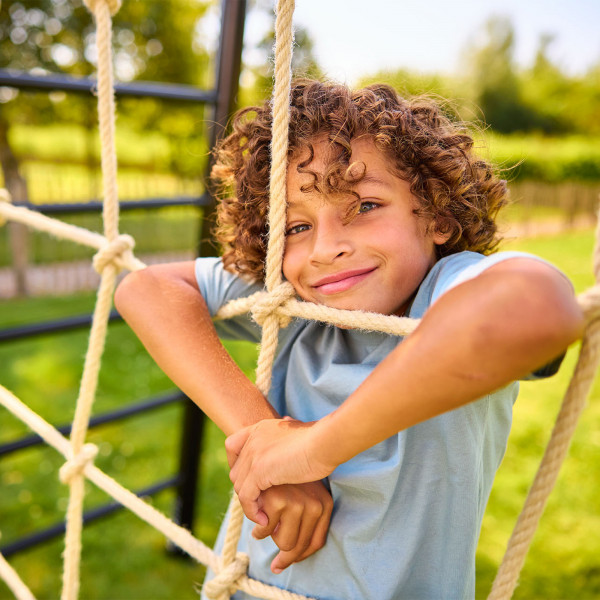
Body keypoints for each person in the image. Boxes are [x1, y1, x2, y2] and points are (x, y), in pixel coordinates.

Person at [115, 79, 583, 600]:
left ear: (437, 216)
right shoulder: (297, 303)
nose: (326, 249)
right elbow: (146, 287)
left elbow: (537, 308)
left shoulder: (445, 295)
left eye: (363, 207)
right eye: (295, 227)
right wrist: (266, 439)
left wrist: (315, 450)